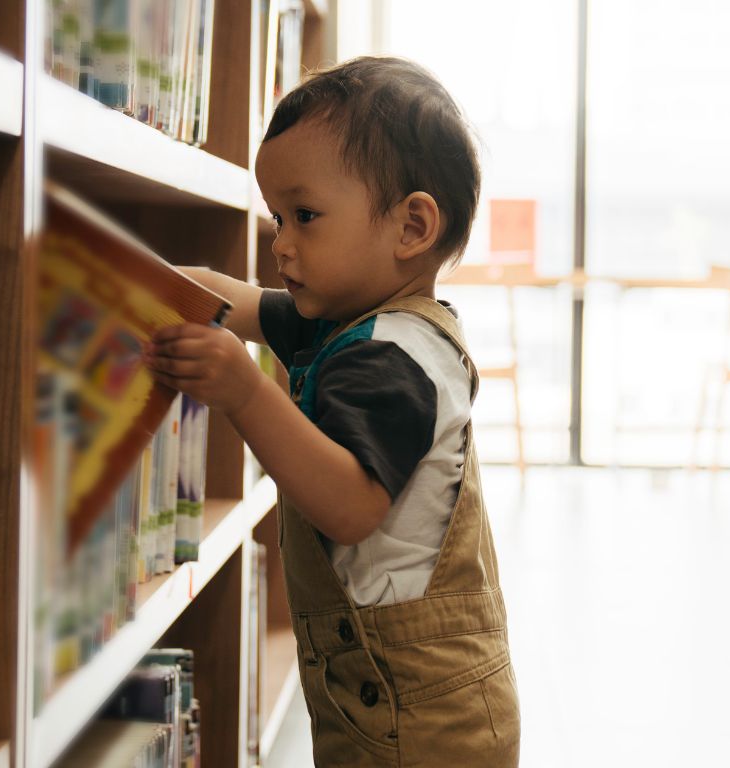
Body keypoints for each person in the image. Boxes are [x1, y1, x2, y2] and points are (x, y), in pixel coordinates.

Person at [144, 56, 519, 767]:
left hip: (424, 717)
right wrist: (152, 283)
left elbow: (349, 506)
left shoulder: (397, 355)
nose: (281, 243)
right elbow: (234, 298)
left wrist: (244, 391)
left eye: (305, 216)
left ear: (411, 226)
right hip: (376, 695)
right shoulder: (347, 317)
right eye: (277, 217)